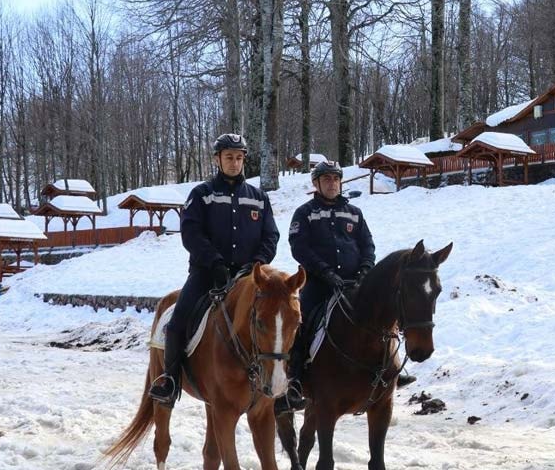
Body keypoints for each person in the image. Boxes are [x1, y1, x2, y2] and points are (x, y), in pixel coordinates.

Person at [148, 133, 280, 406]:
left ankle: (285, 382)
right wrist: (215, 262)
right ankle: (170, 381)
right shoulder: (202, 194)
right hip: (207, 274)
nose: (235, 163)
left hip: (248, 278)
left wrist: (255, 264)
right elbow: (191, 234)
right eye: (229, 157)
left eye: (239, 158)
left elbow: (270, 237)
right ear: (217, 159)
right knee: (177, 324)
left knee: (282, 320)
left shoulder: (258, 198)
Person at [280, 160, 413, 411]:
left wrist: (365, 269)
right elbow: (300, 248)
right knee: (302, 322)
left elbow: (367, 245)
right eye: (326, 179)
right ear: (316, 183)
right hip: (319, 284)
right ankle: (296, 379)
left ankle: (393, 369)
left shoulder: (354, 213)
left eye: (335, 179)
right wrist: (325, 272)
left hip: (355, 284)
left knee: (384, 318)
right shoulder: (304, 213)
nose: (332, 183)